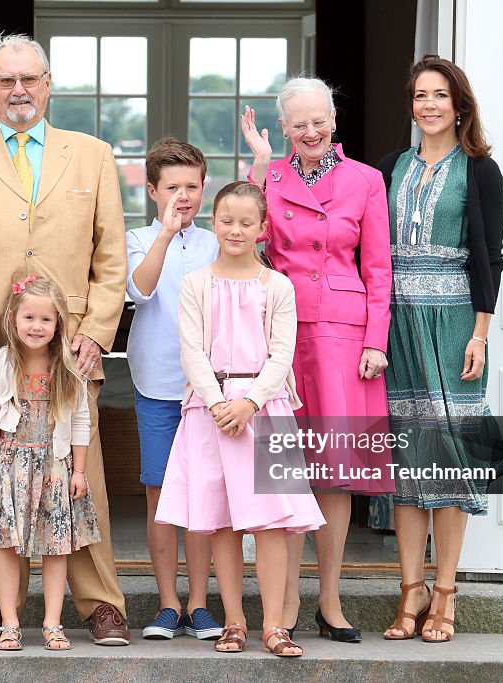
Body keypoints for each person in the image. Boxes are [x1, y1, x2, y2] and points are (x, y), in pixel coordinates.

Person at [0, 32, 129, 646]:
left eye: (29, 79)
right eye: (5, 80)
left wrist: (95, 333)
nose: (18, 90)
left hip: (70, 349)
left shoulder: (90, 154)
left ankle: (101, 603)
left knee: (78, 474)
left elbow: (110, 257)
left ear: (47, 85)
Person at [241, 77, 393, 642]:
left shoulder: (366, 181)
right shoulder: (270, 177)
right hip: (277, 331)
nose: (310, 131)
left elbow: (379, 267)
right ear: (282, 128)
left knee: (335, 471)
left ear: (335, 120)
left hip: (343, 336)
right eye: (297, 123)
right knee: (281, 466)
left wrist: (376, 339)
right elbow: (244, 240)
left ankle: (329, 599)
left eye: (319, 120)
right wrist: (258, 163)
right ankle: (281, 603)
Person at [155, 181, 325, 658]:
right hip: (208, 412)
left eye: (246, 222)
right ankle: (233, 621)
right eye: (226, 220)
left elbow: (283, 353)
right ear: (214, 224)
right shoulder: (196, 284)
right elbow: (191, 351)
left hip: (265, 411)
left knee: (270, 523)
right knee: (221, 521)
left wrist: (249, 403)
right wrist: (216, 403)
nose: (235, 229)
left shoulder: (279, 286)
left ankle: (274, 626)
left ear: (263, 229)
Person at [376, 55, 503, 643]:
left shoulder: (481, 171)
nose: (429, 105)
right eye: (420, 96)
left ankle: (446, 591)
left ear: (460, 106)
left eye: (440, 96)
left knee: (448, 462)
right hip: (399, 324)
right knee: (407, 463)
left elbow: (491, 257)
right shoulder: (391, 168)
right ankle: (410, 591)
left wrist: (480, 332)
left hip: (455, 327)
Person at [126, 137, 222, 641]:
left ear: (204, 188)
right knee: (161, 491)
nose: (182, 195)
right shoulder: (138, 239)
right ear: (152, 190)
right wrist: (165, 233)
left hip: (208, 388)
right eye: (171, 187)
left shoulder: (213, 242)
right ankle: (168, 603)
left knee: (204, 491)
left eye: (191, 186)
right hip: (157, 382)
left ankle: (201, 603)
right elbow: (139, 290)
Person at [0, 276, 100, 651]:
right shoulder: (3, 362)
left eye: (46, 320)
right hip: (12, 462)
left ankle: (52, 622)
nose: (36, 326)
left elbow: (81, 421)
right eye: (29, 317)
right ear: (13, 319)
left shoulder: (66, 365)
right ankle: (10, 622)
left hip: (55, 465)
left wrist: (79, 470)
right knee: (8, 544)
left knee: (56, 545)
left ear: (58, 324)